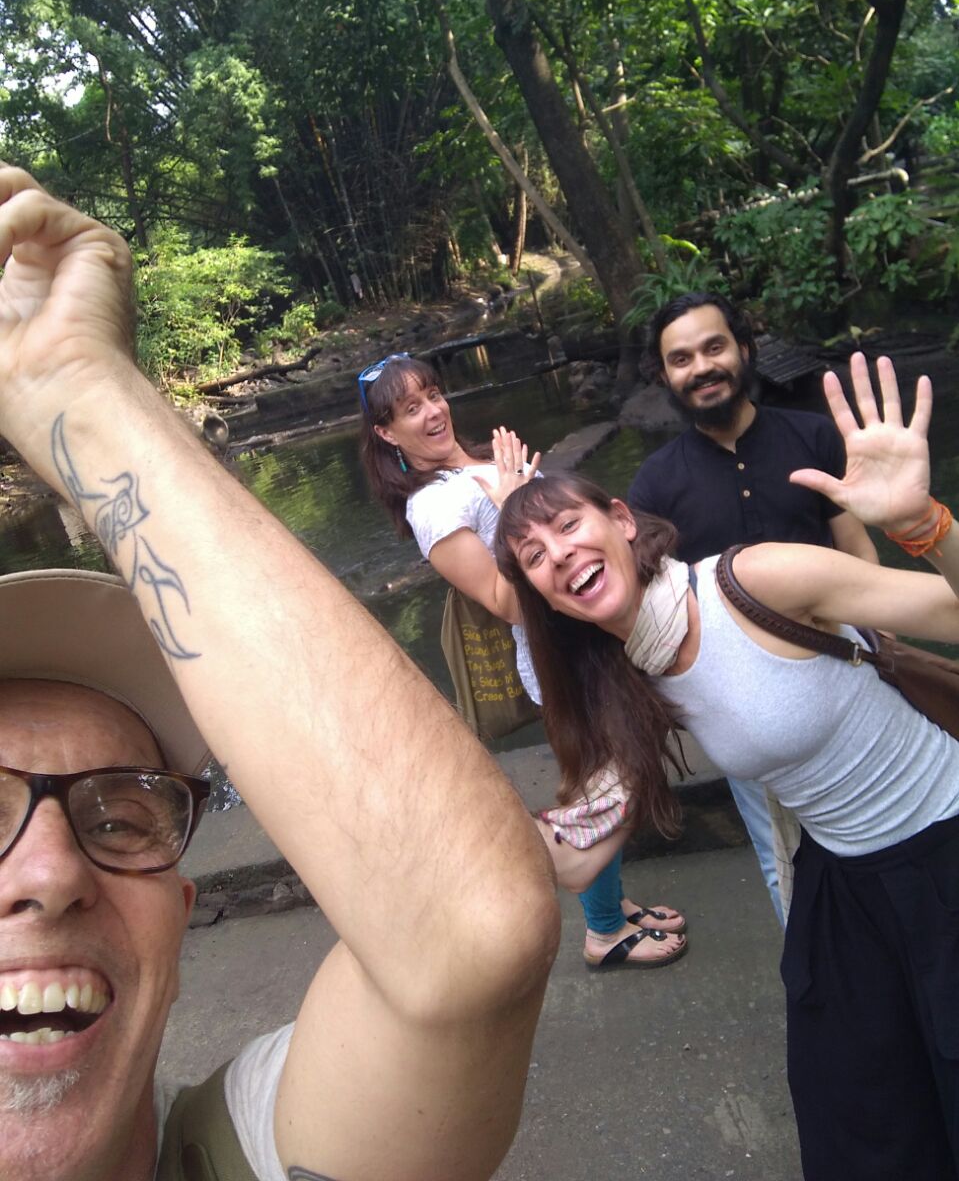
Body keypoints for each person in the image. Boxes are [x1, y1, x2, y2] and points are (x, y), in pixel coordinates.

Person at [0, 163, 561, 1181]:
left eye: (120, 818)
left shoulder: (244, 1149)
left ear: (178, 919)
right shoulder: (440, 505)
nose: (46, 875)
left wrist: (73, 386)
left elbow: (467, 933)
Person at [494, 353, 959, 1181]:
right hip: (844, 886)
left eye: (566, 526)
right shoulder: (627, 682)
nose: (557, 554)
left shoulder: (755, 580)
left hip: (942, 847)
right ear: (540, 596)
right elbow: (574, 858)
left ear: (621, 520)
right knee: (861, 1124)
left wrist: (921, 523)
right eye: (532, 555)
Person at [358, 353, 687, 969]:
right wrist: (512, 503)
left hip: (590, 636)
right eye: (410, 409)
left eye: (433, 394)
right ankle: (604, 930)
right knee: (601, 787)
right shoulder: (431, 506)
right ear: (386, 433)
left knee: (606, 777)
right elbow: (506, 601)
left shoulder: (475, 464)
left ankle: (611, 905)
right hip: (561, 659)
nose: (432, 412)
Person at [627, 291, 878, 922]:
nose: (701, 367)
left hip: (845, 666)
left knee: (882, 827)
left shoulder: (812, 436)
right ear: (665, 377)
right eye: (681, 358)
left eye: (714, 347)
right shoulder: (655, 485)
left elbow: (855, 548)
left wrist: (883, 643)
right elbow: (654, 610)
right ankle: (817, 972)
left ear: (744, 349)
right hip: (743, 701)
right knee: (783, 859)